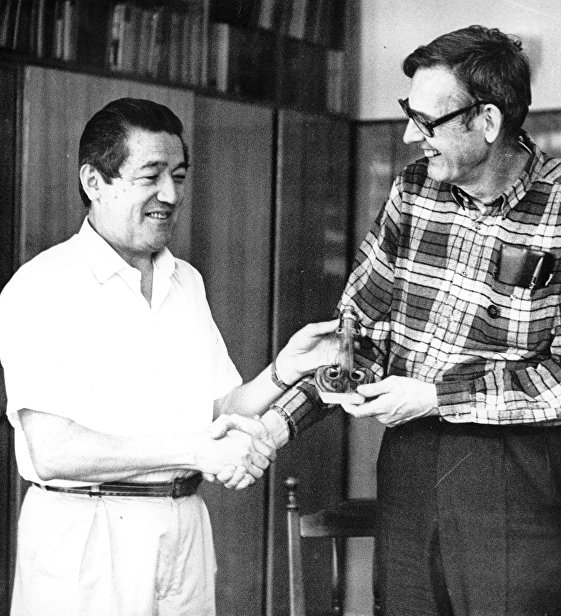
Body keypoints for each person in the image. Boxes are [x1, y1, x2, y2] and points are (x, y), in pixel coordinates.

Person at [264, 25, 561, 615]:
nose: (411, 135)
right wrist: (278, 425)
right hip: (410, 466)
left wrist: (436, 396)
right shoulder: (412, 190)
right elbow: (355, 339)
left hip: (520, 471)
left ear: (487, 120)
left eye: (427, 121)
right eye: (410, 114)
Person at [0, 97, 338, 616]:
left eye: (178, 176)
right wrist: (197, 452)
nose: (171, 195)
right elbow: (54, 450)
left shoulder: (186, 281)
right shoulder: (43, 285)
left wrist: (283, 371)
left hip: (184, 526)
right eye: (151, 176)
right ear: (94, 181)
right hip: (87, 534)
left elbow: (218, 411)